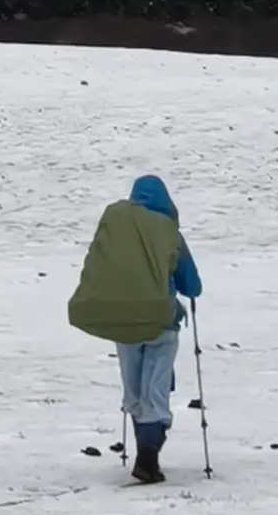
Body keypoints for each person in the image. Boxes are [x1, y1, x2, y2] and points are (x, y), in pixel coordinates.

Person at [65, 171, 204, 484]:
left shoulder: (117, 227)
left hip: (121, 322)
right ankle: (148, 456)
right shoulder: (168, 231)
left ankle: (146, 455)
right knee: (156, 389)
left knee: (135, 389)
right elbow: (191, 284)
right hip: (160, 323)